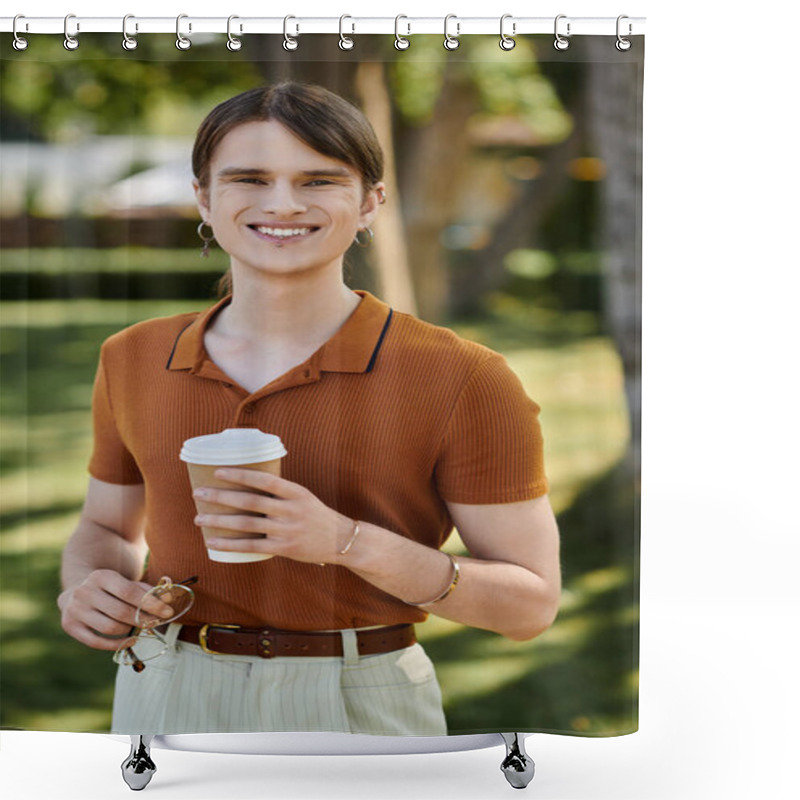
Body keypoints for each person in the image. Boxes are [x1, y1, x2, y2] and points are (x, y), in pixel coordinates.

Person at [57, 82, 561, 737]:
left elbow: (529, 607)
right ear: (204, 199)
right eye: (250, 178)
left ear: (370, 203)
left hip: (361, 701)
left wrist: (344, 543)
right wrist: (88, 588)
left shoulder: (465, 376)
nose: (283, 204)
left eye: (318, 180)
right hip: (164, 692)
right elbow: (106, 527)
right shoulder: (131, 356)